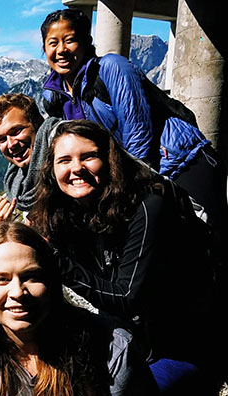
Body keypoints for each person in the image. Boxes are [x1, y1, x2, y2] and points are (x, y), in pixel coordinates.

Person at [27, 119, 223, 394]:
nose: (76, 168)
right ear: (51, 170)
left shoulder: (148, 206)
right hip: (142, 342)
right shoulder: (75, 212)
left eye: (88, 156)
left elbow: (126, 297)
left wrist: (55, 258)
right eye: (64, 160)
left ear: (109, 159)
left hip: (189, 346)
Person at [39, 8, 228, 232]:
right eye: (53, 43)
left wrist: (124, 189)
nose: (61, 50)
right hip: (137, 173)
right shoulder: (55, 96)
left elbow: (138, 132)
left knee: (209, 240)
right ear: (44, 48)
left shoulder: (112, 67)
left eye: (70, 40)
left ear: (86, 42)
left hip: (180, 162)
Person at [0, 221, 156, 396]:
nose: (18, 292)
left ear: (52, 282)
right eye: (1, 279)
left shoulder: (108, 348)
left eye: (31, 276)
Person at [0, 94, 62, 225]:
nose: (11, 144)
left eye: (16, 131)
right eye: (1, 139)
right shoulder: (21, 184)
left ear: (38, 123)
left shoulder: (64, 154)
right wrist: (3, 227)